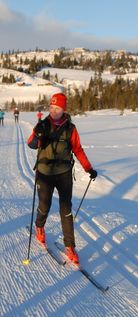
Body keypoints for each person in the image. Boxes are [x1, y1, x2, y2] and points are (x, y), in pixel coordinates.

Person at [27, 92, 97, 264]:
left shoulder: (71, 129)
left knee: (66, 210)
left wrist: (89, 168)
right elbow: (31, 144)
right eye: (51, 107)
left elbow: (78, 149)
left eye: (57, 108)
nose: (53, 111)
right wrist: (37, 134)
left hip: (64, 173)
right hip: (44, 173)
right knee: (45, 204)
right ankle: (39, 227)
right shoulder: (42, 125)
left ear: (63, 109)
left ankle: (70, 246)